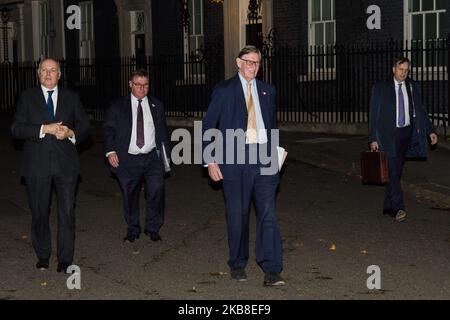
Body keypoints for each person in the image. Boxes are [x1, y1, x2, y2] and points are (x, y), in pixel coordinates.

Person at [202, 45, 285, 286]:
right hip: (235, 159)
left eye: (257, 63)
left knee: (268, 213)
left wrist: (276, 157)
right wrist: (210, 160)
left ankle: (272, 269)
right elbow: (209, 125)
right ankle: (237, 263)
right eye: (248, 62)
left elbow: (272, 127)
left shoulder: (268, 91)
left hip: (264, 160)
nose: (253, 66)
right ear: (238, 63)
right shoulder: (224, 90)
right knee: (238, 215)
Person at [11, 58, 90, 273]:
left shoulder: (71, 98)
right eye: (44, 70)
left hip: (66, 166)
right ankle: (43, 254)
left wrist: (71, 132)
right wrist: (43, 129)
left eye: (52, 70)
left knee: (66, 213)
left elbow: (85, 126)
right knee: (39, 212)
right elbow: (16, 129)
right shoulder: (27, 98)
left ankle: (65, 259)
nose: (48, 74)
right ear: (38, 74)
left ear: (59, 75)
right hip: (37, 165)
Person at [104, 69, 170, 243]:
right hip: (128, 158)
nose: (142, 88)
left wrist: (166, 157)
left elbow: (162, 132)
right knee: (130, 196)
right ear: (130, 85)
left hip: (152, 158)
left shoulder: (157, 105)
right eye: (138, 84)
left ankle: (153, 227)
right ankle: (133, 229)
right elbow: (109, 129)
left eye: (146, 85)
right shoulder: (118, 106)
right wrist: (110, 151)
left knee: (156, 191)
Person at [369, 57, 438, 222]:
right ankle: (399, 207)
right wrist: (373, 138)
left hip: (406, 134)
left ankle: (388, 206)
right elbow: (373, 114)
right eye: (401, 69)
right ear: (394, 69)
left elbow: (421, 111)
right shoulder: (381, 88)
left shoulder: (413, 86)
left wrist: (430, 131)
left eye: (407, 70)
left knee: (396, 171)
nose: (404, 73)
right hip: (388, 136)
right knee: (393, 171)